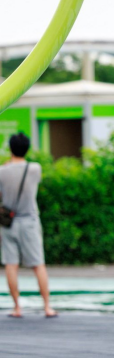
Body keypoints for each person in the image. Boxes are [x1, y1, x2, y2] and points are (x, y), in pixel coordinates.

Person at [0, 133, 56, 319]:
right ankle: (47, 307)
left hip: (8, 222)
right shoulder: (35, 169)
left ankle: (17, 307)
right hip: (29, 221)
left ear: (10, 148)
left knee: (11, 264)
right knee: (38, 264)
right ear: (27, 148)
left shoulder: (2, 171)